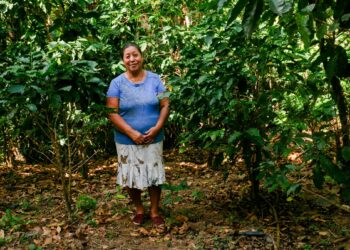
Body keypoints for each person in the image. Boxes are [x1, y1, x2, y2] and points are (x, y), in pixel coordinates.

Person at [106, 42, 170, 228]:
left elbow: (165, 104)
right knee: (130, 175)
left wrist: (158, 127)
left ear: (142, 57)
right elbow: (111, 112)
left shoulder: (156, 79)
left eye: (135, 55)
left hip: (153, 137)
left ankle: (155, 211)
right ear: (123, 61)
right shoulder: (116, 83)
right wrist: (131, 132)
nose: (132, 59)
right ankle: (140, 210)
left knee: (154, 174)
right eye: (128, 56)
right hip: (126, 139)